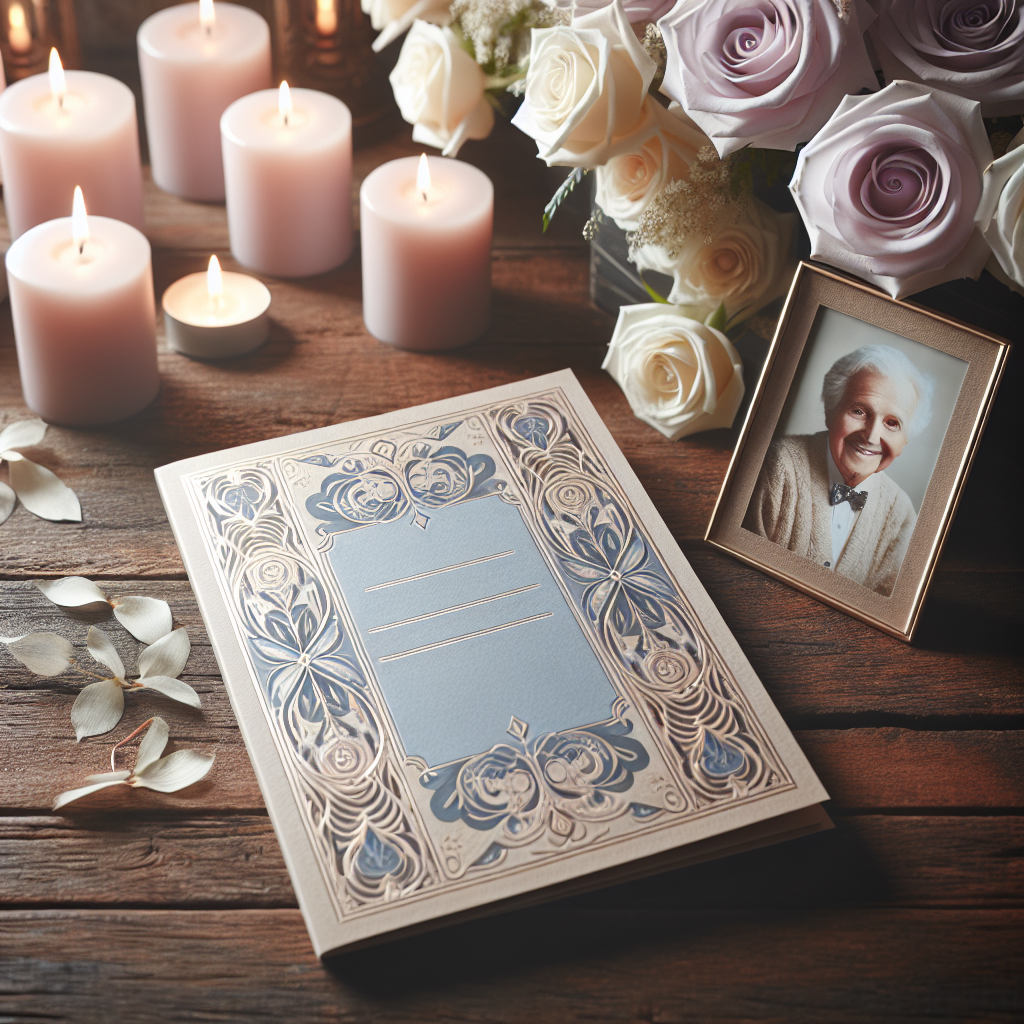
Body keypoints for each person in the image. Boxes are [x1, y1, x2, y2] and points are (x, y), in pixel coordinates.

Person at [744, 344, 936, 597]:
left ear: (904, 442)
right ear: (831, 412)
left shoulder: (901, 515)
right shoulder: (777, 464)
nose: (871, 436)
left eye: (892, 423)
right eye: (859, 411)